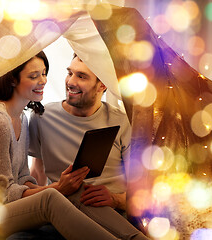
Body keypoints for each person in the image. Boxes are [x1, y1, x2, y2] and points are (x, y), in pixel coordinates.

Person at [0, 51, 147, 240]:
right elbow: (1, 193)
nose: (43, 81)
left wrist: (64, 188)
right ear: (12, 80)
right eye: (34, 76)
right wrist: (57, 188)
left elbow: (23, 177)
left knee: (75, 190)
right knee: (52, 197)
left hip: (102, 210)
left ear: (102, 85)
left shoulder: (21, 118)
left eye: (44, 73)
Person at [29, 53, 138, 236]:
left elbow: (143, 188)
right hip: (61, 212)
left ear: (102, 85)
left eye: (81, 76)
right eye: (70, 73)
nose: (71, 82)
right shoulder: (42, 117)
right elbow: (38, 172)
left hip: (111, 213)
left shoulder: (122, 121)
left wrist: (115, 200)